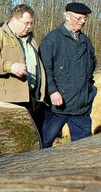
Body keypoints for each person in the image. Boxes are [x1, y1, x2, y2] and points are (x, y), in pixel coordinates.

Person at [39, 2, 97, 148]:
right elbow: (45, 70)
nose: (82, 21)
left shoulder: (86, 42)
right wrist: (52, 91)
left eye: (84, 18)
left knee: (85, 148)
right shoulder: (51, 40)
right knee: (44, 143)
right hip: (59, 105)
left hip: (82, 106)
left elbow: (91, 67)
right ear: (67, 17)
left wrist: (90, 91)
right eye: (79, 18)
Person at [0, 4, 46, 128]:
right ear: (14, 20)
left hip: (29, 97)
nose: (29, 27)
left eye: (31, 23)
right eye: (26, 23)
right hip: (6, 100)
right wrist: (10, 67)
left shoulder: (31, 41)